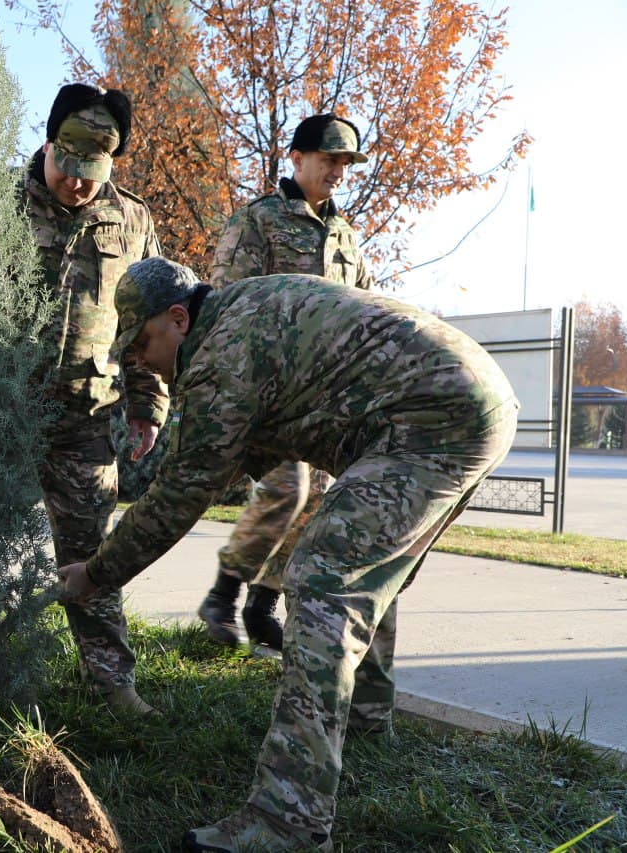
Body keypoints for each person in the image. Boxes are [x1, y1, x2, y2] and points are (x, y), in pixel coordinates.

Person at [59, 257, 517, 851]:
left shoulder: (220, 353)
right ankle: (363, 717)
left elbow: (181, 493)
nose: (140, 360)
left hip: (431, 415)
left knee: (324, 584)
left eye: (142, 343)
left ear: (178, 318)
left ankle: (286, 823)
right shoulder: (245, 309)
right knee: (364, 570)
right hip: (470, 400)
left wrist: (97, 573)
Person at [200, 113, 376, 652]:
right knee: (287, 488)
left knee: (320, 500)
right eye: (328, 160)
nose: (338, 172)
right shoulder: (258, 222)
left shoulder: (345, 234)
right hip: (271, 391)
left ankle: (262, 604)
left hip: (327, 397)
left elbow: (365, 304)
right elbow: (225, 303)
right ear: (297, 158)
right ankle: (224, 597)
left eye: (345, 163)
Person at [20, 84, 169, 715]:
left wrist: (147, 407)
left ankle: (111, 682)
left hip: (85, 416)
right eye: (68, 167)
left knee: (92, 558)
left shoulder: (133, 218)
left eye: (93, 173)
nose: (77, 185)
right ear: (50, 142)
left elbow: (150, 322)